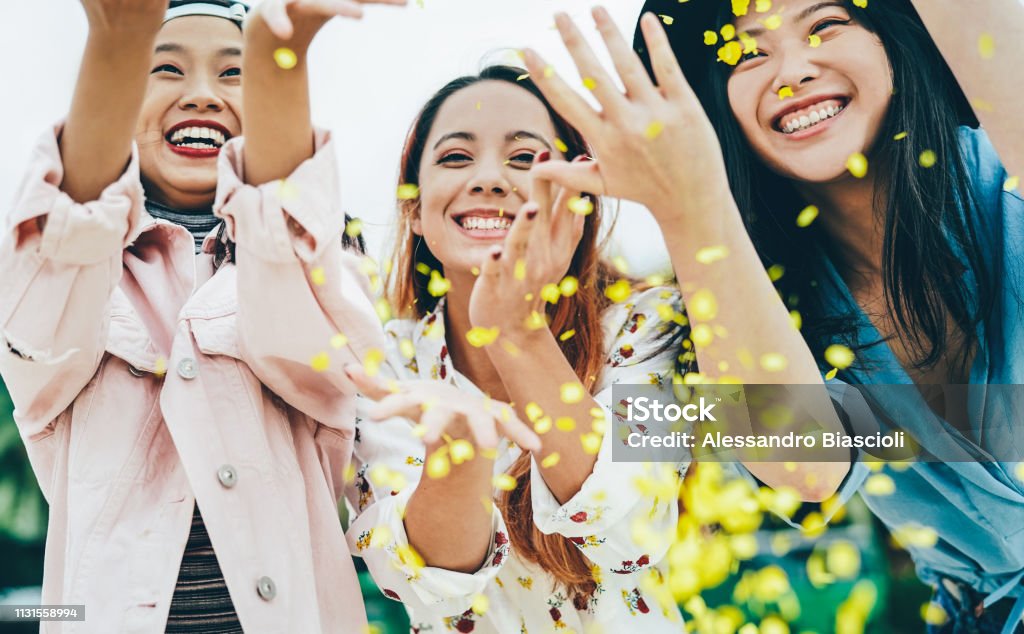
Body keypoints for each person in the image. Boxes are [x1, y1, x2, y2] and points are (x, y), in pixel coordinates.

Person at [517, 1, 1022, 632]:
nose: (791, 71)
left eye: (824, 26)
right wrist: (690, 206)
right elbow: (803, 466)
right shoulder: (730, 308)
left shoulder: (1007, 174)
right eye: (747, 53)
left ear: (892, 40)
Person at [341, 59, 850, 632]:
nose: (488, 178)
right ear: (413, 209)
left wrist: (517, 329)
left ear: (575, 197)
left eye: (526, 158)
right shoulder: (381, 359)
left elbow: (628, 535)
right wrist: (459, 449)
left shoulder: (645, 326)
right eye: (456, 157)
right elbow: (424, 584)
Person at [0, 0, 401, 630]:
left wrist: (281, 60)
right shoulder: (71, 284)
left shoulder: (336, 284)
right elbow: (61, 251)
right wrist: (117, 42)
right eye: (162, 68)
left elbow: (290, 282)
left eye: (236, 73)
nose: (202, 94)